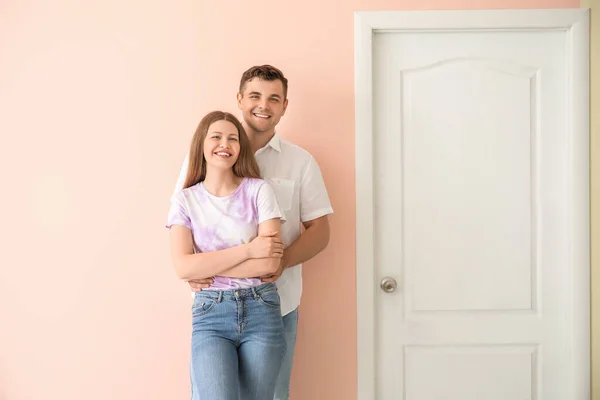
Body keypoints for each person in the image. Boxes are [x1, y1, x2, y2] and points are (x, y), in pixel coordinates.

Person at [173, 65, 333, 400]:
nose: (264, 105)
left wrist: (278, 261)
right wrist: (206, 268)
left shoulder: (300, 162)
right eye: (256, 96)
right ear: (240, 100)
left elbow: (320, 230)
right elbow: (184, 236)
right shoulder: (207, 155)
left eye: (275, 98)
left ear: (284, 106)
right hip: (212, 306)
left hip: (277, 302)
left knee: (272, 395)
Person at [167, 110, 288, 400]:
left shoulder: (260, 191)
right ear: (202, 145)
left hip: (261, 306)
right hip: (211, 314)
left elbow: (270, 262)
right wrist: (249, 250)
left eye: (233, 138)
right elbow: (183, 267)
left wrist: (205, 265)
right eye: (217, 137)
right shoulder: (185, 200)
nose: (225, 143)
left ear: (240, 148)